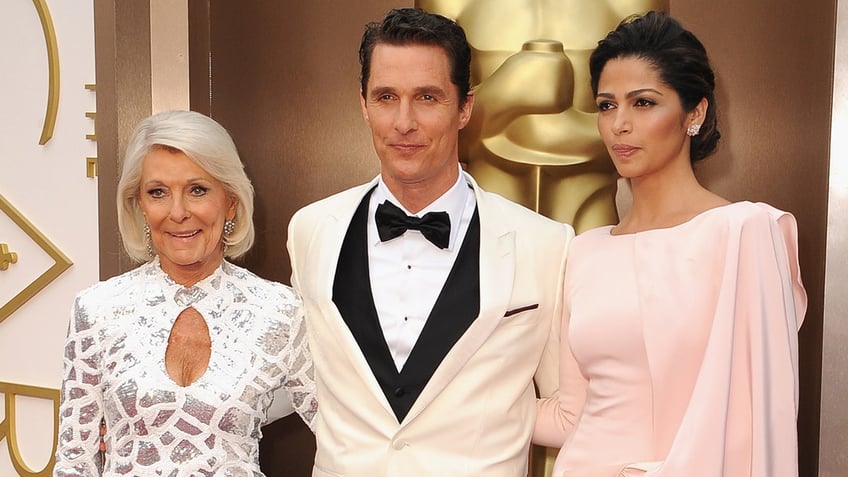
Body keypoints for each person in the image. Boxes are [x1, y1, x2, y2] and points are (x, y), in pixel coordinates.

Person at [287, 7, 573, 476]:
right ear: (363, 103)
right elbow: (309, 381)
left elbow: (569, 406)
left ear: (465, 107)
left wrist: (496, 417)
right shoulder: (310, 230)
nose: (404, 122)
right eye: (385, 97)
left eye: (427, 97)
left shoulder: (546, 244)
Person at [533, 11, 807, 477]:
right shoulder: (586, 251)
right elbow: (571, 415)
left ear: (694, 112)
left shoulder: (746, 233)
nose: (619, 124)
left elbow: (763, 422)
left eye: (643, 103)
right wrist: (449, 402)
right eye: (606, 105)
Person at [54, 110, 317, 476]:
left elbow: (346, 437)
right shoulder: (96, 310)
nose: (177, 213)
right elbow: (74, 462)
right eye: (158, 192)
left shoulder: (282, 312)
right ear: (140, 205)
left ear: (231, 201)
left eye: (197, 190)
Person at [419, 0, 666, 232]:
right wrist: (506, 91)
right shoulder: (447, 4)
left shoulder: (634, 4)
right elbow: (429, 133)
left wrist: (559, 133)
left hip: (589, 210)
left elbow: (660, 126)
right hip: (489, 213)